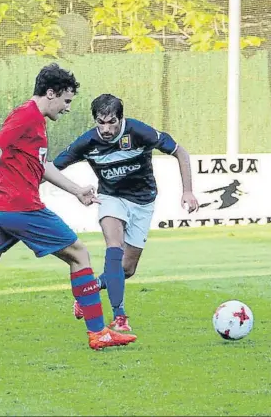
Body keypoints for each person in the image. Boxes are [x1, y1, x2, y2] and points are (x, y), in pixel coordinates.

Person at [0, 66, 137, 353]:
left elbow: (42, 166)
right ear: (51, 93)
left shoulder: (34, 120)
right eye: (67, 101)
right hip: (20, 207)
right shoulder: (27, 115)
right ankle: (98, 333)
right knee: (79, 254)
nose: (68, 108)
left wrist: (77, 190)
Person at [53, 93, 199, 331]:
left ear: (121, 119)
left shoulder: (140, 132)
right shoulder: (87, 142)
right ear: (95, 121)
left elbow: (180, 152)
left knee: (126, 269)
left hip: (143, 202)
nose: (106, 128)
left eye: (111, 122)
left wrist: (188, 192)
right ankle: (119, 317)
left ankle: (87, 290)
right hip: (111, 198)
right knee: (114, 246)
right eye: (101, 122)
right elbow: (50, 168)